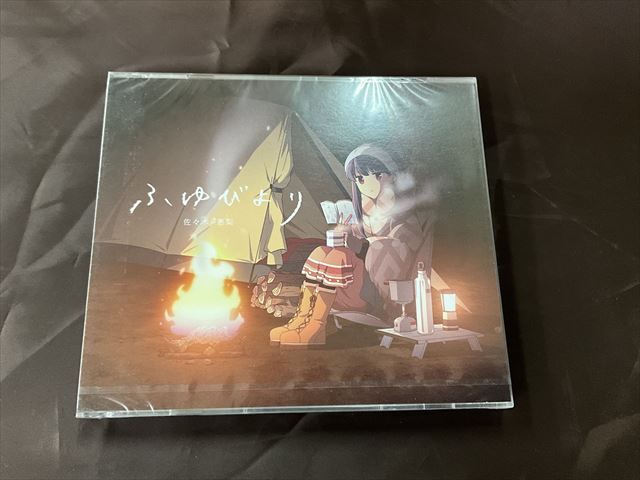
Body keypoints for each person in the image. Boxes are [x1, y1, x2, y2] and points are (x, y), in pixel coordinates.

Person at [270, 144, 427, 347]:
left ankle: (317, 326)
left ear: (391, 175)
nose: (368, 183)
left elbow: (404, 249)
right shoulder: (365, 214)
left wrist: (366, 245)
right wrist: (345, 233)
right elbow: (359, 238)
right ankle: (303, 320)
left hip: (381, 293)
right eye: (360, 179)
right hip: (350, 284)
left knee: (341, 256)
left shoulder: (404, 214)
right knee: (321, 251)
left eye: (377, 175)